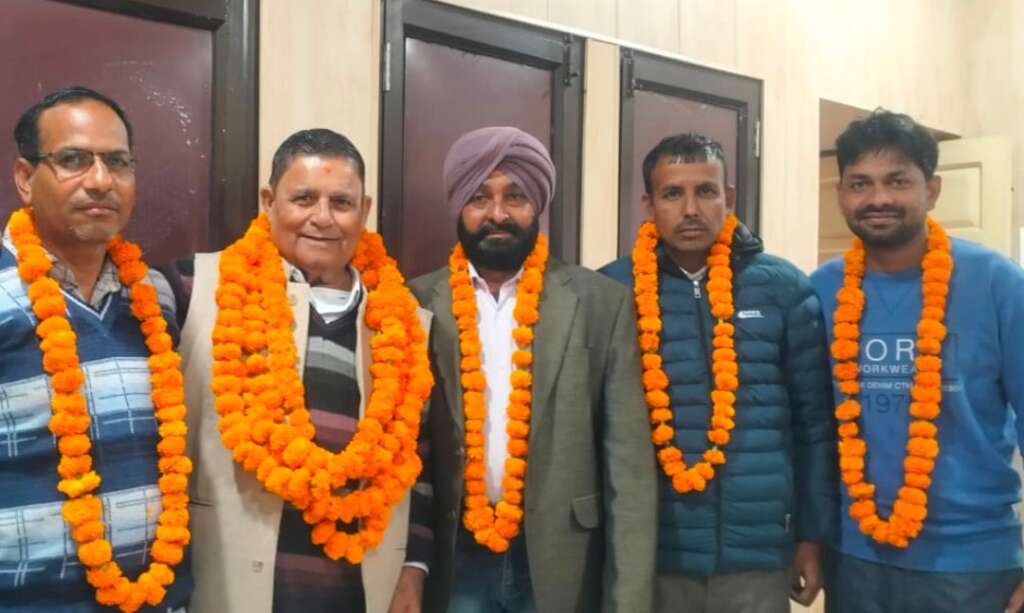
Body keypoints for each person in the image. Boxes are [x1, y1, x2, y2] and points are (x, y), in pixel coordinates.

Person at [176, 129, 434, 613]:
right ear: (268, 201)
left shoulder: (407, 324)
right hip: (227, 589)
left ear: (364, 210)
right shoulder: (194, 289)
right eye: (304, 199)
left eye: (342, 202)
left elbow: (419, 461)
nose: (323, 217)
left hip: (364, 588)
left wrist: (414, 568)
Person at [410, 126, 657, 613]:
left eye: (516, 196)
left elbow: (629, 470)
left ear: (538, 205)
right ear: (458, 204)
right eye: (479, 197)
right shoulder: (415, 303)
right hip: (453, 555)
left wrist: (628, 600)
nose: (498, 214)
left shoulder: (600, 303)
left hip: (564, 558)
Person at [601, 132, 837, 613]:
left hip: (757, 554)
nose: (690, 209)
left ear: (728, 198)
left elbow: (814, 426)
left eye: (705, 191)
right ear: (648, 204)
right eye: (672, 193)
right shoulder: (611, 291)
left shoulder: (784, 288)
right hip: (651, 555)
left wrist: (812, 538)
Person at [811, 110, 1024, 613]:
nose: (878, 198)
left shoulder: (996, 282)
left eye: (897, 181)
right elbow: (810, 429)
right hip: (853, 555)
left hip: (972, 563)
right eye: (860, 183)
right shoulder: (821, 290)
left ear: (932, 189)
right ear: (840, 194)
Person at [0, 85, 191, 611]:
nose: (101, 181)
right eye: (73, 160)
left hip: (154, 598)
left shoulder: (154, 296)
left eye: (118, 162)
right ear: (25, 178)